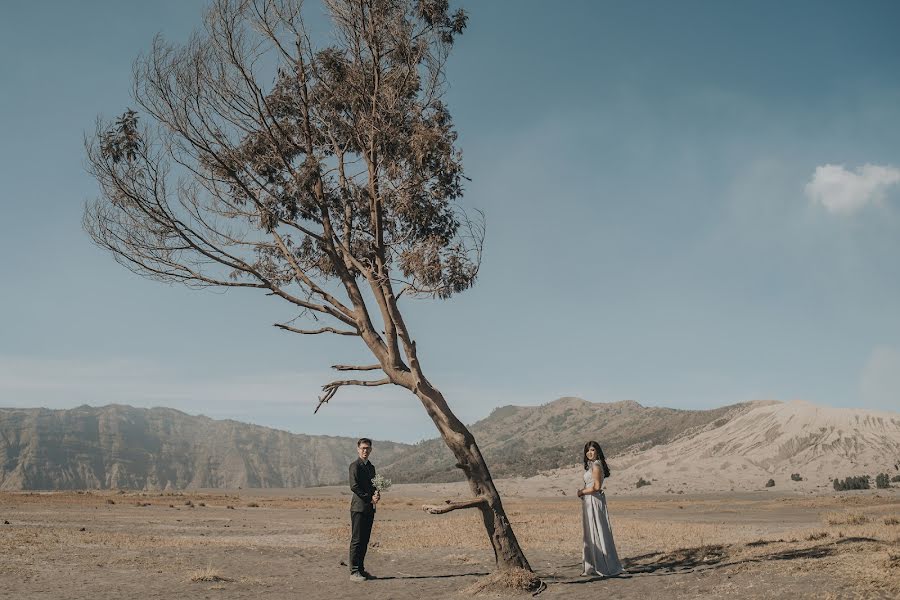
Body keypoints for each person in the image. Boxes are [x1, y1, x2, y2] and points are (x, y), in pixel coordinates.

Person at [576, 441, 623, 577]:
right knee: (591, 530)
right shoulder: (592, 466)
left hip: (594, 500)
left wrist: (582, 492)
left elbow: (596, 487)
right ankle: (594, 563)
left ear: (597, 451)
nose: (589, 453)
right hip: (590, 500)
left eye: (592, 450)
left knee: (597, 530)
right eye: (587, 450)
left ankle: (603, 565)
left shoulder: (596, 465)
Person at [349, 437, 380, 582]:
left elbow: (374, 485)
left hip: (369, 508)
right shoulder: (354, 466)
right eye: (363, 448)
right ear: (358, 449)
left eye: (367, 448)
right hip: (358, 508)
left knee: (365, 540)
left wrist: (377, 494)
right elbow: (354, 486)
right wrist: (369, 498)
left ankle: (361, 569)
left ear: (371, 450)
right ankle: (354, 571)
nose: (365, 451)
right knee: (357, 540)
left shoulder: (371, 467)